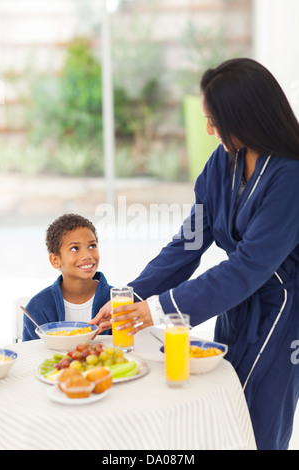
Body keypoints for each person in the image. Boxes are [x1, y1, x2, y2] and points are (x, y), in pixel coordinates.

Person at [90, 58, 299, 450]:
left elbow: (250, 266)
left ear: (247, 117)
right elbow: (188, 244)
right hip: (233, 305)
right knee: (221, 412)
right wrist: (132, 296)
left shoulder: (290, 177)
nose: (209, 130)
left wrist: (157, 309)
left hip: (280, 312)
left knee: (260, 424)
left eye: (215, 120)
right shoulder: (223, 162)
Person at [23, 213, 112, 341]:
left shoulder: (116, 302)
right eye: (75, 248)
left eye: (92, 246)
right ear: (55, 260)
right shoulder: (37, 307)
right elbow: (29, 353)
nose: (87, 255)